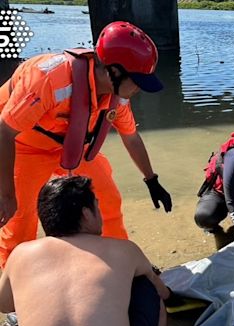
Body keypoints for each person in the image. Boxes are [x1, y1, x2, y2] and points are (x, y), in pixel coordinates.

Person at [0, 21, 172, 268]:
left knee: (107, 199)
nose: (138, 89)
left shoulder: (117, 97)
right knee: (19, 219)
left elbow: (131, 136)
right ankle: (15, 286)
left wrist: (151, 179)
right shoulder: (49, 79)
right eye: (136, 81)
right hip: (23, 145)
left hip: (71, 146)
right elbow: (4, 130)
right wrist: (5, 194)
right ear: (113, 71)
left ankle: (121, 263)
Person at [0, 176, 173, 326]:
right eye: (97, 208)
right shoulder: (124, 249)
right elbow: (162, 293)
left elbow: (5, 304)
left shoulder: (21, 254)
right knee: (146, 287)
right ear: (86, 214)